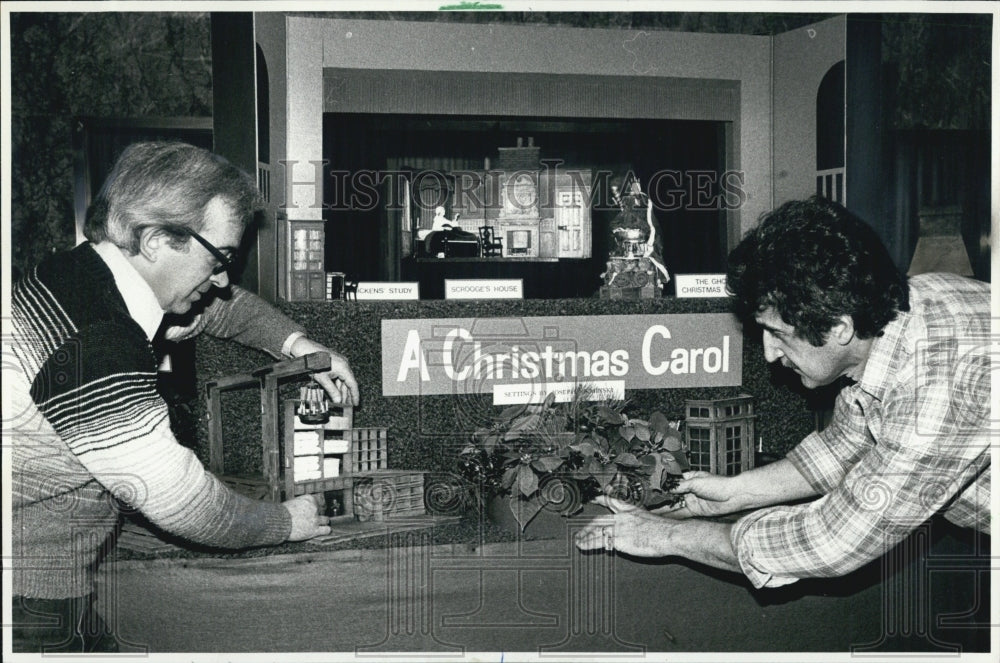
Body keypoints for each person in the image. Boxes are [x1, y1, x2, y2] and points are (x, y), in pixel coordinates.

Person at [8, 141, 360, 652]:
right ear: (155, 241)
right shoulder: (99, 339)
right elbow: (184, 504)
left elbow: (220, 309)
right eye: (218, 258)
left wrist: (303, 346)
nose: (221, 278)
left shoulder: (77, 275)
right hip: (27, 599)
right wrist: (286, 522)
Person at [576, 196, 991, 589]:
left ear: (838, 328)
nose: (771, 354)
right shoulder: (913, 301)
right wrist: (733, 494)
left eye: (777, 334)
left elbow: (830, 542)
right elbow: (846, 444)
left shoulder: (938, 384)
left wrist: (663, 537)